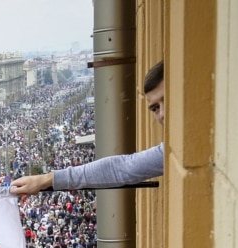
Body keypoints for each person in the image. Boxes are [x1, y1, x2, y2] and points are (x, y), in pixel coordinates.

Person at [10, 61, 165, 195]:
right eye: (156, 108)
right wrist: (46, 179)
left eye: (167, 99)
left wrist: (47, 179)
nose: (163, 114)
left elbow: (123, 168)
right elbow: (122, 167)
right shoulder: (169, 150)